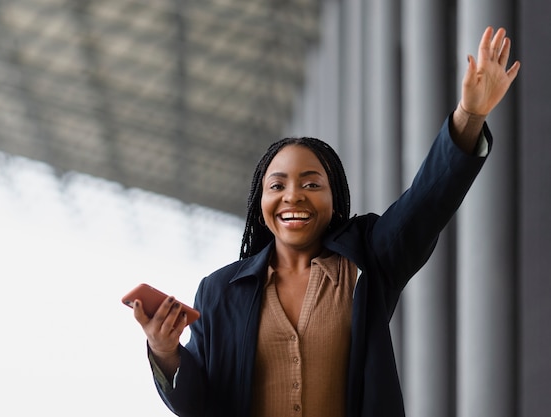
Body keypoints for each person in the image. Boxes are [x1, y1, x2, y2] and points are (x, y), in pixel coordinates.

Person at [131, 26, 520, 417]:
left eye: (311, 183)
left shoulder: (367, 261)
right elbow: (199, 404)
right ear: (260, 203)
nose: (293, 195)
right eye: (277, 185)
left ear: (335, 201)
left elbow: (426, 203)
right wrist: (166, 351)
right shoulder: (219, 292)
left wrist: (470, 115)